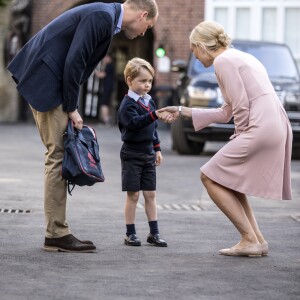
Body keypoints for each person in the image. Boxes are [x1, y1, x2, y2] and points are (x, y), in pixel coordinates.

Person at [7, 0, 159, 253]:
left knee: (57, 154)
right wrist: (72, 107)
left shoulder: (105, 17)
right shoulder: (102, 16)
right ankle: (56, 234)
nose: (144, 32)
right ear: (143, 15)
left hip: (49, 79)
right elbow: (74, 61)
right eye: (148, 26)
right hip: (48, 82)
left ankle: (57, 232)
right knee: (57, 155)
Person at [159, 21, 293, 257]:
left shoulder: (223, 61)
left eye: (193, 51)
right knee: (231, 180)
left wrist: (239, 135)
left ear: (202, 46)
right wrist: (181, 110)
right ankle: (257, 240)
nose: (196, 58)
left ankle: (249, 239)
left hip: (259, 126)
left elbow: (240, 106)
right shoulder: (239, 57)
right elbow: (225, 111)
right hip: (274, 123)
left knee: (209, 176)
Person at [118, 58, 172, 247]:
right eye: (142, 81)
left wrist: (157, 149)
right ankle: (130, 233)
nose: (147, 85)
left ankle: (154, 233)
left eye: (149, 81)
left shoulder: (149, 102)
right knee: (133, 195)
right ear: (129, 80)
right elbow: (134, 123)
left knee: (150, 195)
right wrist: (154, 115)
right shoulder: (127, 105)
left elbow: (153, 128)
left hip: (148, 153)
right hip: (131, 154)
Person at [94, 54, 115, 125]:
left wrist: (94, 70)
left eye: (105, 58)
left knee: (103, 103)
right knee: (105, 103)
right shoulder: (110, 66)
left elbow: (101, 75)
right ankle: (106, 119)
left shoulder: (109, 66)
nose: (104, 60)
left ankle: (106, 120)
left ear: (109, 58)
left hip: (107, 87)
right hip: (108, 87)